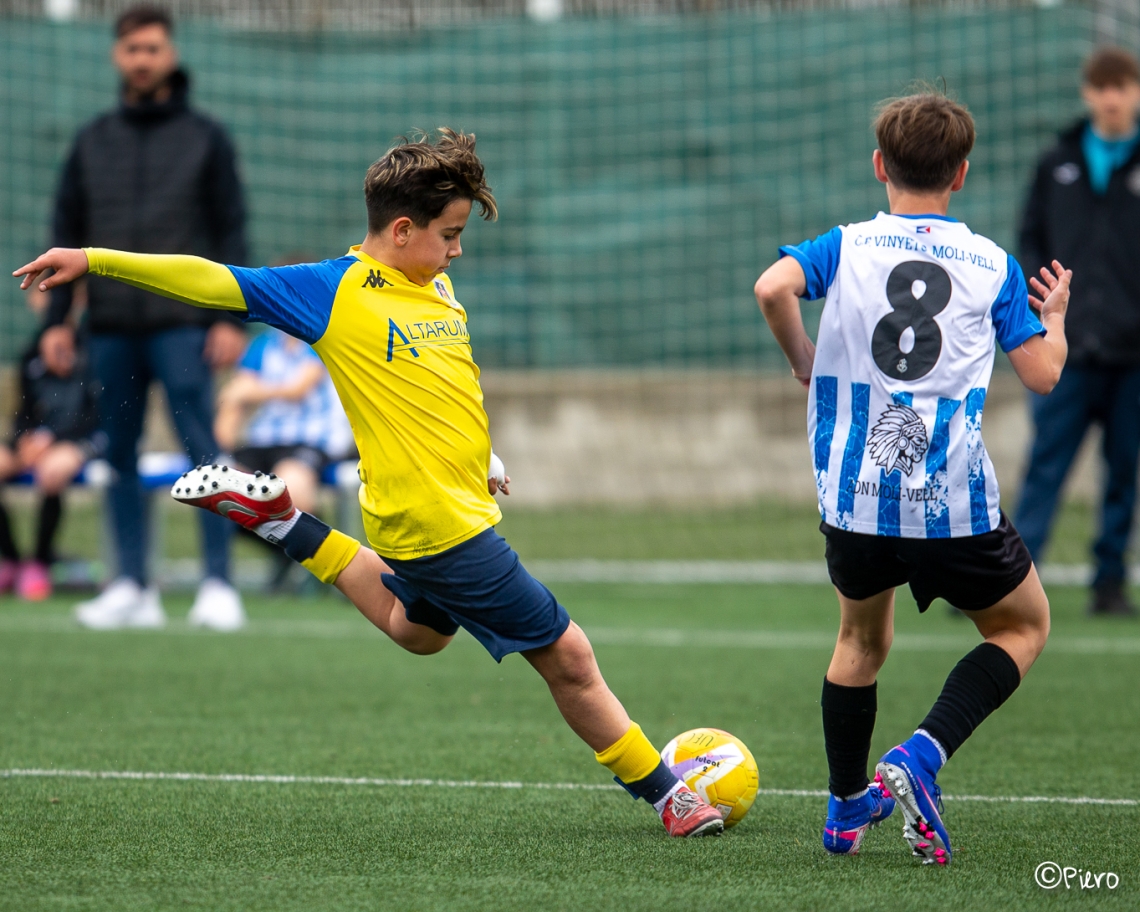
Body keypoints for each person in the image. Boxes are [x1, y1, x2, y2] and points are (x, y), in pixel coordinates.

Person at [15, 129, 728, 839]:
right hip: (440, 527)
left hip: (428, 510)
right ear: (401, 229)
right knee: (569, 658)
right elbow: (210, 277)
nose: (456, 251)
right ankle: (671, 796)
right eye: (449, 235)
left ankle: (284, 522)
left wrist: (484, 455)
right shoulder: (332, 292)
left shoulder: (436, 286)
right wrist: (94, 260)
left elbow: (446, 386)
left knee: (416, 633)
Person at [754, 92, 1069, 865]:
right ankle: (922, 754)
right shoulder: (992, 264)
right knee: (1023, 628)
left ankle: (843, 810)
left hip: (854, 498)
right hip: (950, 504)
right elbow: (1043, 375)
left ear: (879, 166)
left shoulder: (845, 245)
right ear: (961, 174)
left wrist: (801, 358)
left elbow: (770, 288)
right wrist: (1056, 319)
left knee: (860, 641)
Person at [41, 4, 249, 630]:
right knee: (119, 456)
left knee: (204, 450)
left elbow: (231, 230)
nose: (142, 59)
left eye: (153, 48)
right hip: (109, 329)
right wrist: (57, 320)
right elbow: (65, 233)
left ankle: (218, 585)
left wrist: (230, 318)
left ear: (170, 54)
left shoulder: (207, 137)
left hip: (185, 327)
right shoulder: (91, 141)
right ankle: (131, 586)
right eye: (132, 49)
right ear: (117, 55)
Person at [1015, 47, 1140, 617]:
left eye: (1122, 86)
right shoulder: (1056, 162)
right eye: (1101, 86)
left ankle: (1109, 583)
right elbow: (1031, 240)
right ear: (1088, 93)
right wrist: (1044, 314)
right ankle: (1011, 580)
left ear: (1134, 92)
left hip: (1131, 355)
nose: (1111, 97)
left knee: (1123, 473)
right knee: (1045, 466)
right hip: (1063, 352)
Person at [0, 330, 105, 601]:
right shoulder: (32, 354)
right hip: (39, 439)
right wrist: (24, 439)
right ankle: (10, 559)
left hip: (83, 438)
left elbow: (97, 415)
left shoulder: (96, 348)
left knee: (52, 471)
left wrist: (53, 440)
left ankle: (39, 562)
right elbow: (25, 410)